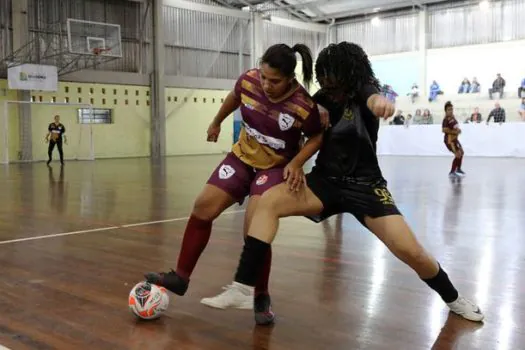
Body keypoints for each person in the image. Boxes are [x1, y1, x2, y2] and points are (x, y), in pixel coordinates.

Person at [201, 42, 484, 325]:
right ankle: (243, 287)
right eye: (323, 79)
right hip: (325, 182)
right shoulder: (322, 97)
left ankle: (453, 298)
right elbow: (303, 120)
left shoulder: (364, 88)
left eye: (331, 79)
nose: (326, 85)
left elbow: (372, 98)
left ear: (348, 74)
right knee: (266, 201)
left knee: (410, 251)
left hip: (365, 186)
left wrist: (379, 104)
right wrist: (295, 159)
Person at [144, 43, 326, 326]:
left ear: (290, 78)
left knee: (255, 231)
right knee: (203, 207)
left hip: (274, 168)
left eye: (274, 80)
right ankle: (180, 277)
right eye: (264, 76)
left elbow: (316, 137)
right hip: (242, 157)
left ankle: (260, 295)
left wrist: (296, 163)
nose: (266, 84)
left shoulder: (304, 105)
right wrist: (217, 121)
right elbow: (234, 97)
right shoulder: (249, 80)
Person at [442, 101, 465, 177]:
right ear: (446, 111)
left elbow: (455, 126)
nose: (451, 111)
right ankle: (452, 172)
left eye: (451, 109)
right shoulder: (446, 119)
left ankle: (458, 169)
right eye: (449, 110)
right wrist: (455, 132)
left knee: (461, 152)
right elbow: (444, 130)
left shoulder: (453, 117)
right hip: (450, 140)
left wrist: (459, 130)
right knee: (458, 154)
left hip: (455, 139)